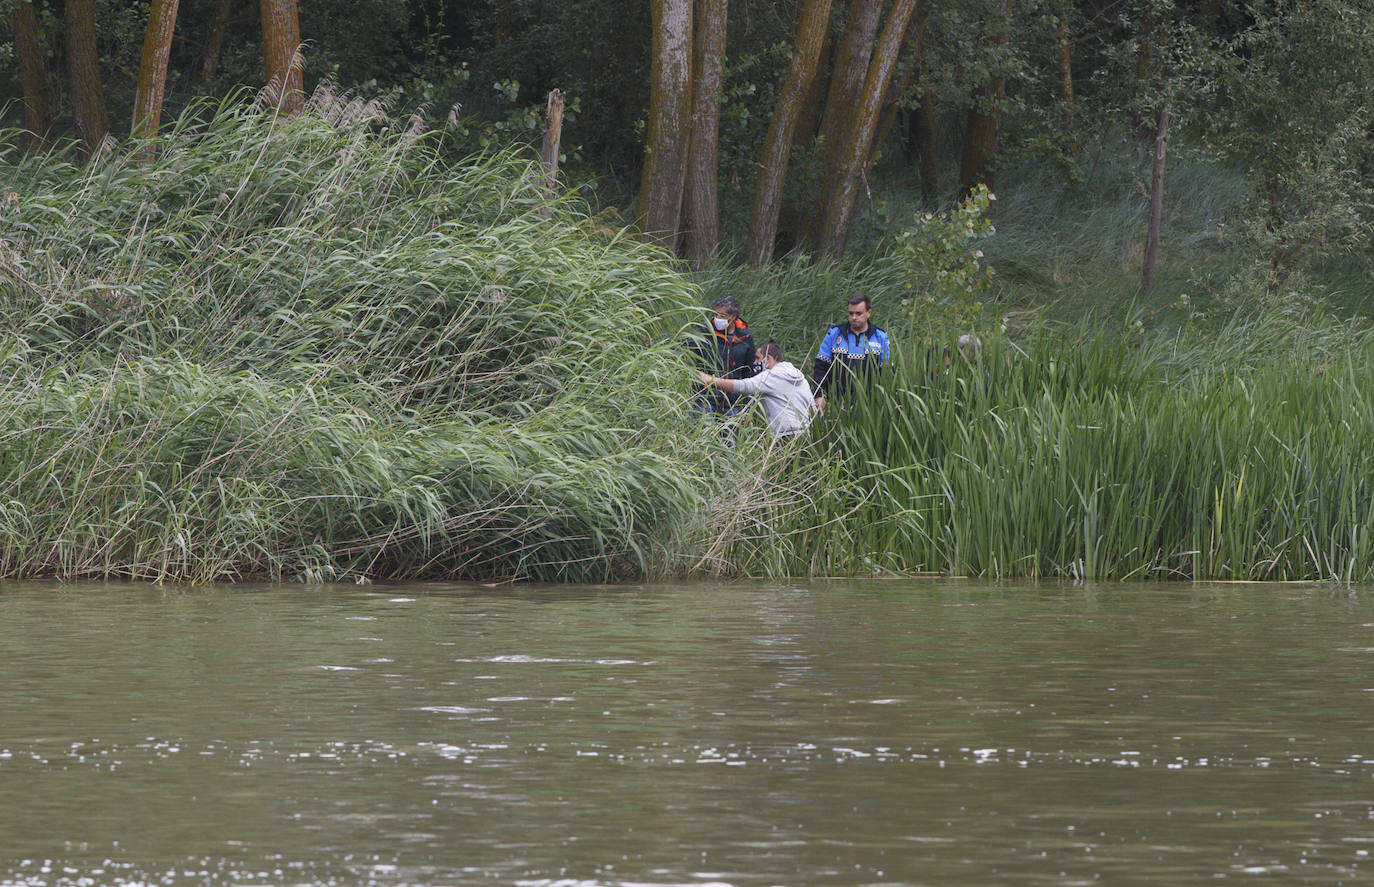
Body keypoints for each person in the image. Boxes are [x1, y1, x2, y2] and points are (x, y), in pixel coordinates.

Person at [698, 341, 816, 439]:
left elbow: (742, 386)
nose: (755, 363)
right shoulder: (800, 378)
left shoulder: (771, 376)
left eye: (758, 358)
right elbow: (813, 408)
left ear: (768, 358)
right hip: (807, 435)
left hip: (785, 437)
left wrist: (710, 379)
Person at [812, 293, 891, 411]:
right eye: (851, 313)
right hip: (835, 404)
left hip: (869, 408)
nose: (854, 317)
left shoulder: (880, 336)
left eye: (858, 313)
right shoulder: (834, 333)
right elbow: (821, 367)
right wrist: (818, 395)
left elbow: (887, 373)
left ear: (868, 313)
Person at [693, 295, 756, 418]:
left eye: (722, 315)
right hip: (706, 401)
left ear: (733, 316)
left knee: (731, 437)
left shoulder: (746, 338)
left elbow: (748, 373)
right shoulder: (704, 332)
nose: (717, 318)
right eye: (715, 314)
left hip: (732, 404)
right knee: (705, 436)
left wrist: (748, 407)